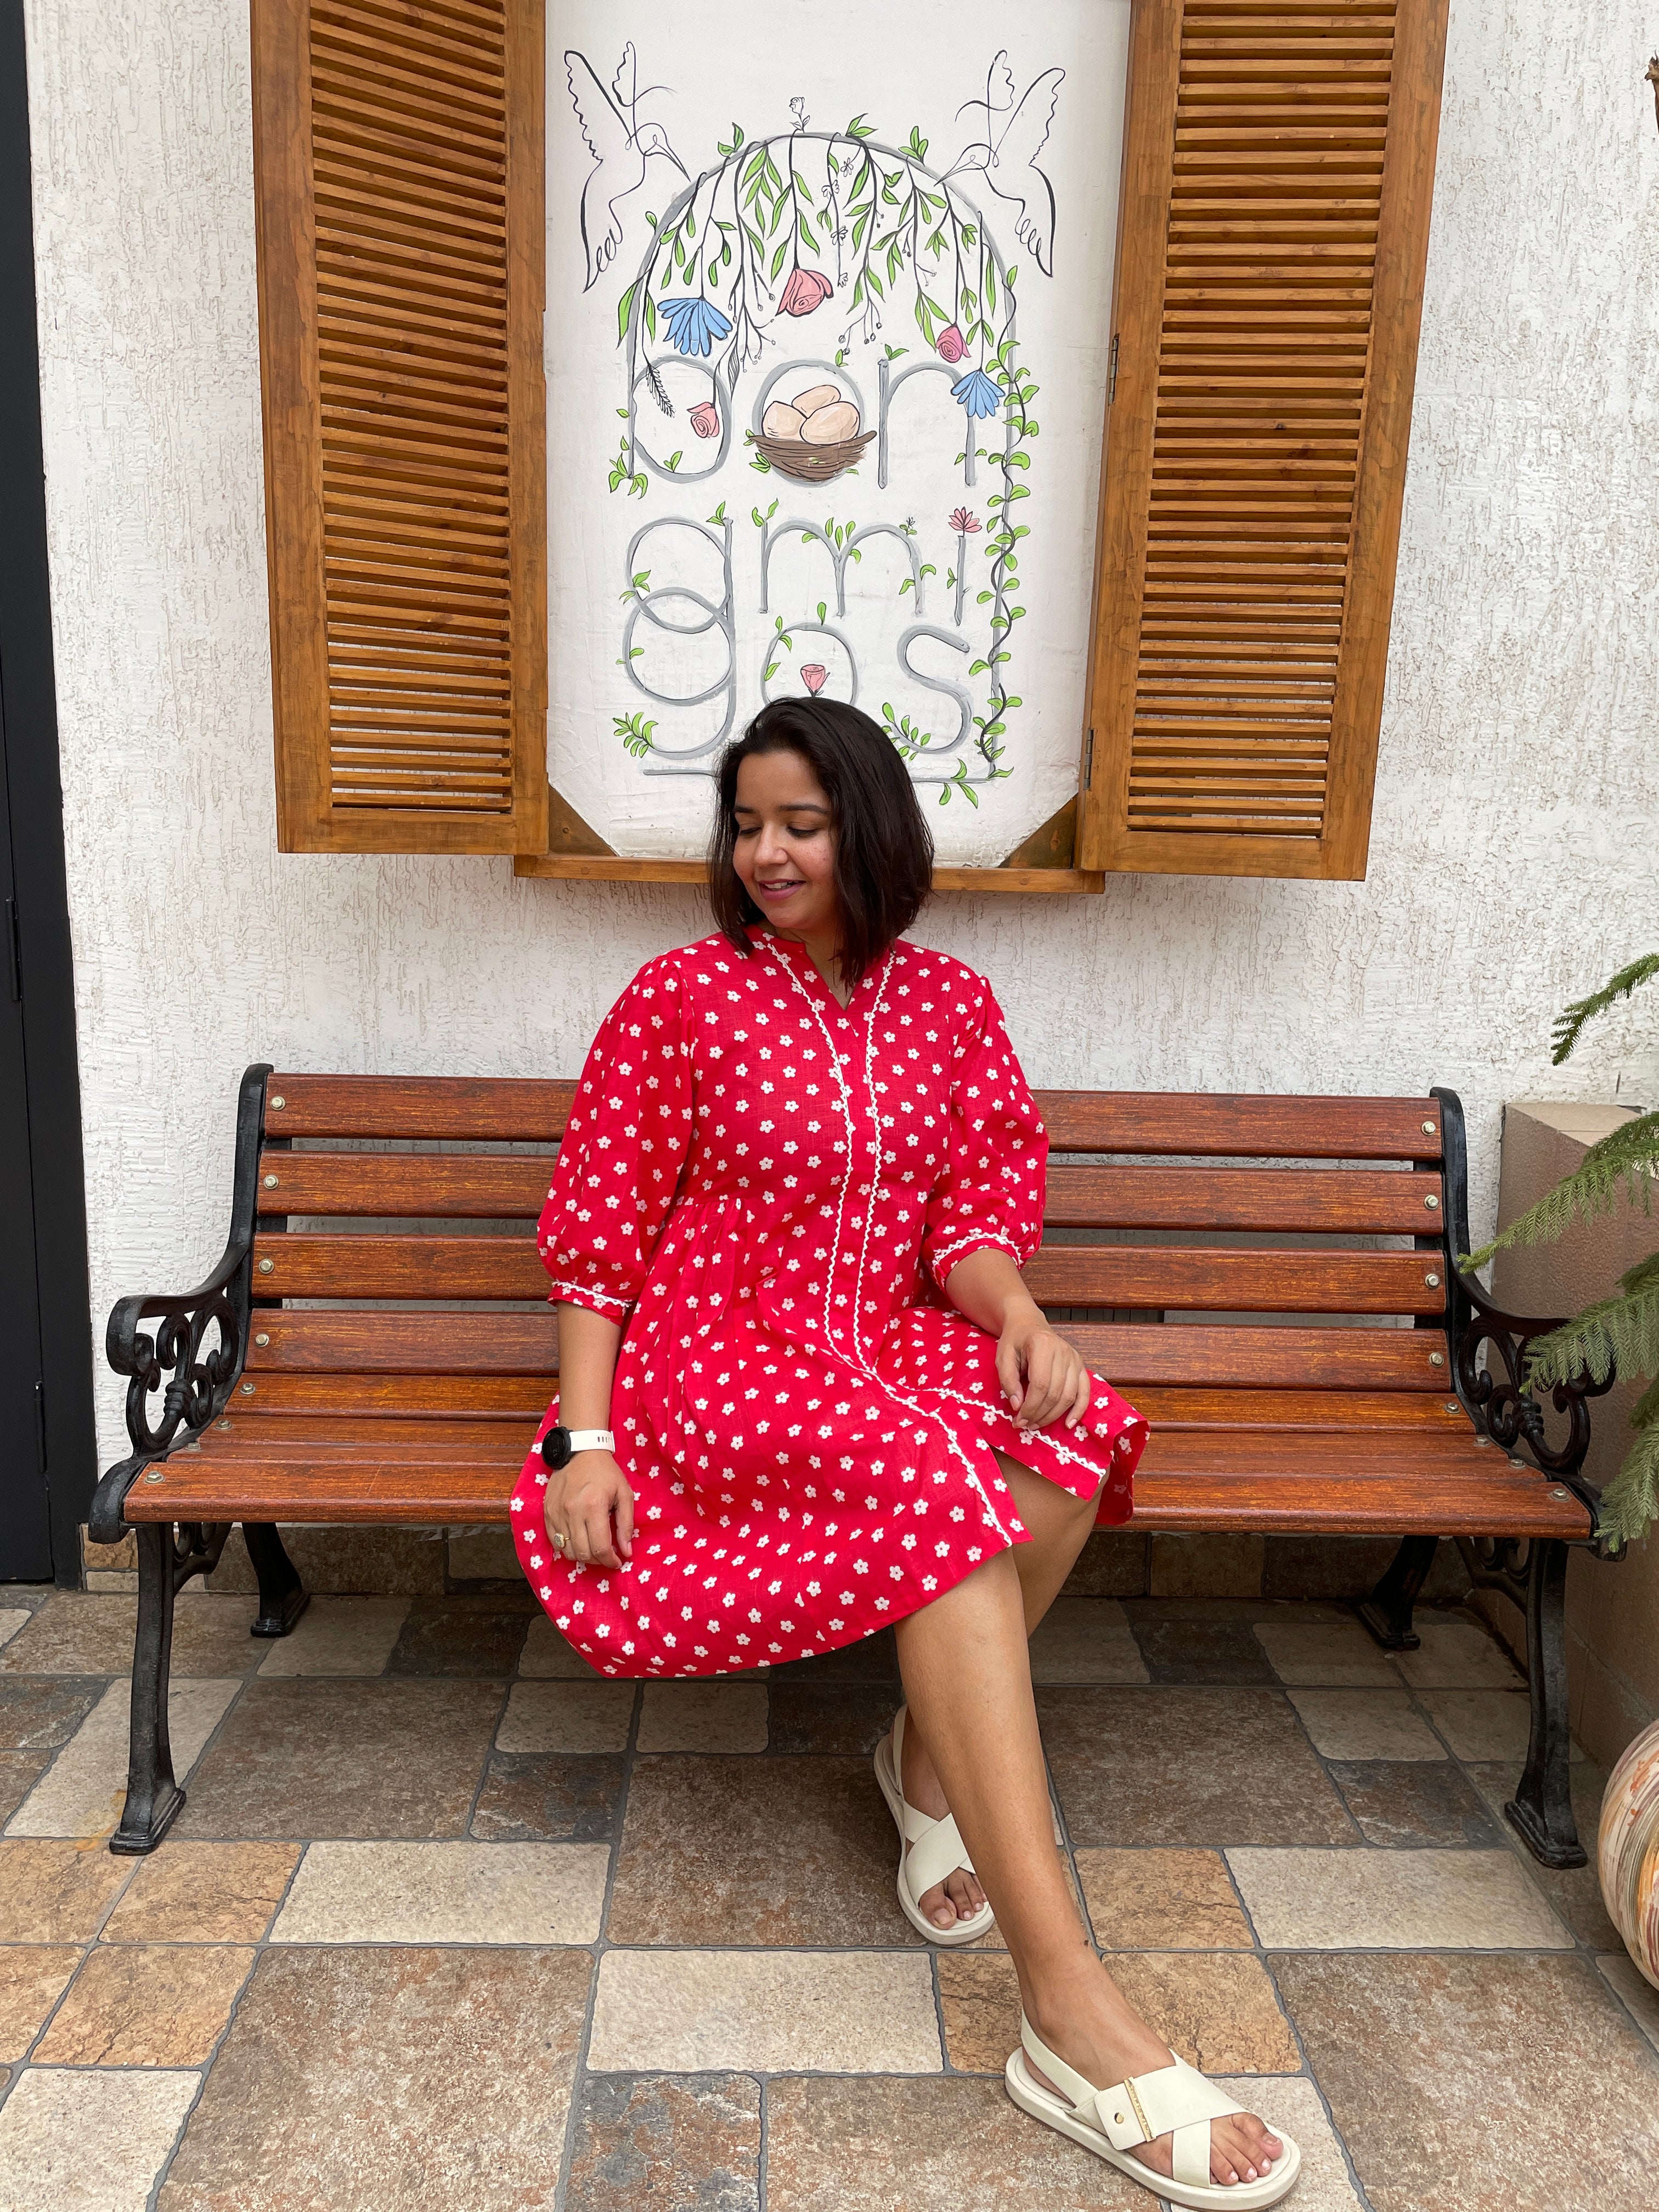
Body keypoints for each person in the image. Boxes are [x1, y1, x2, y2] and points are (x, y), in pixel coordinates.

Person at [507, 699, 1299, 2208]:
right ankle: (1069, 2011)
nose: (768, 854)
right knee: (943, 1493)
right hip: (720, 1360)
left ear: (868, 827)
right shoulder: (677, 999)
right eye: (748, 824)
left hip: (887, 1338)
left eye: (800, 822)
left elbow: (973, 1215)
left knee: (1076, 1436)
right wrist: (588, 1440)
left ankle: (922, 1758)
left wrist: (1017, 1319)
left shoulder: (946, 1003)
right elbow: (599, 1243)